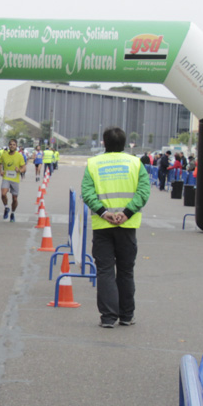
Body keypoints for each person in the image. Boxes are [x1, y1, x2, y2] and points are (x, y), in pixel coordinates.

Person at [81, 127, 150, 328]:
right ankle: (127, 315)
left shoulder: (93, 163)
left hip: (103, 225)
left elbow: (87, 193)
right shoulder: (135, 163)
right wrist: (126, 213)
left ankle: (108, 317)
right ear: (125, 143)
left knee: (105, 271)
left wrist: (104, 212)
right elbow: (143, 192)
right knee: (126, 270)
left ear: (104, 142)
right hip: (127, 225)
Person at [0, 138, 26, 222]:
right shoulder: (4, 154)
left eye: (14, 145)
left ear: (16, 146)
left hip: (15, 179)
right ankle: (6, 208)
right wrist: (0, 171)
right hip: (6, 177)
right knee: (3, 194)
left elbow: (24, 167)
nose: (12, 146)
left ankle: (12, 213)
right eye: (10, 144)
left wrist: (19, 170)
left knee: (15, 199)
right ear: (8, 145)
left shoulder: (19, 156)